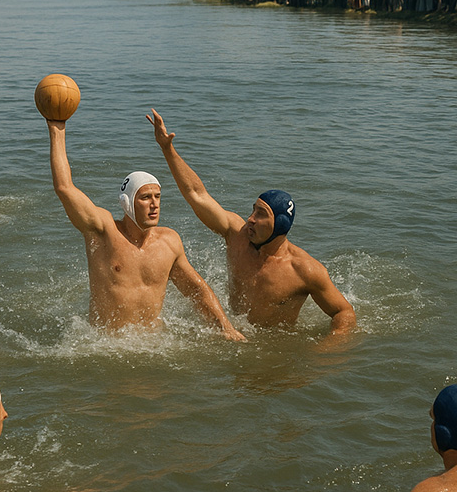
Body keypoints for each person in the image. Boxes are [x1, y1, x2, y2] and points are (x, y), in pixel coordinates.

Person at [148, 110, 356, 335]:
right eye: (253, 210)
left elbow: (343, 313)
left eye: (261, 214)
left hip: (274, 346)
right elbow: (197, 194)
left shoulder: (304, 270)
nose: (251, 219)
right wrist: (167, 149)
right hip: (234, 333)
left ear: (280, 225)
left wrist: (324, 355)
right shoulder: (236, 234)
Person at [45, 118, 244, 339]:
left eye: (158, 197)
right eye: (145, 197)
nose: (154, 204)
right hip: (106, 344)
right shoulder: (103, 231)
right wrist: (57, 130)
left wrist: (225, 327)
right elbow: (64, 188)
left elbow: (196, 290)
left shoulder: (168, 242)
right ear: (128, 202)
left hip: (152, 343)